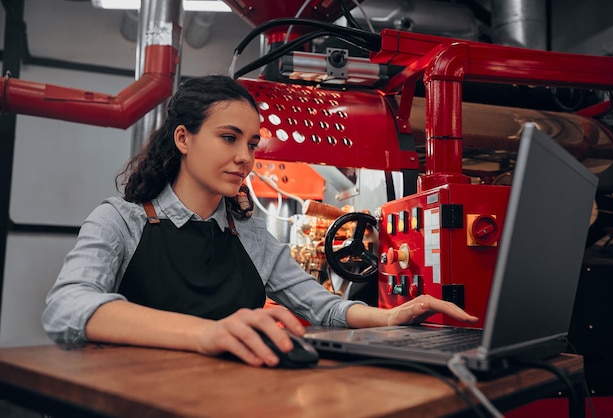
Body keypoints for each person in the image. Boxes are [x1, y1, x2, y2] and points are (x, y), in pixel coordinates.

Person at [41, 74, 477, 368]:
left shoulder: (247, 232)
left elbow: (321, 307)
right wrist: (207, 334)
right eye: (229, 138)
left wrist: (391, 317)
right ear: (183, 139)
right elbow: (67, 308)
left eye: (251, 144)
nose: (245, 158)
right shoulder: (120, 219)